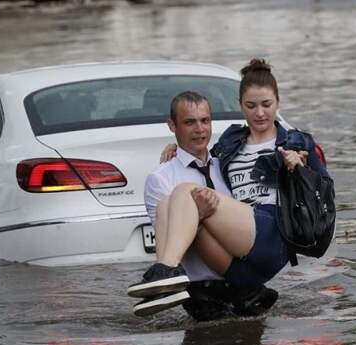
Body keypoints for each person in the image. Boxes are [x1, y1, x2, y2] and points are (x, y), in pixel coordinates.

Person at [129, 58, 331, 317]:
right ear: (240, 107)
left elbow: (324, 190)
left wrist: (299, 168)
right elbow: (203, 154)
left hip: (271, 232)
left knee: (185, 192)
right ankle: (163, 283)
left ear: (278, 104)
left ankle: (165, 269)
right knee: (174, 202)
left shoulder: (295, 141)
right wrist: (176, 150)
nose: (259, 113)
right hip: (236, 266)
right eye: (251, 106)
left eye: (267, 104)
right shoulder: (229, 146)